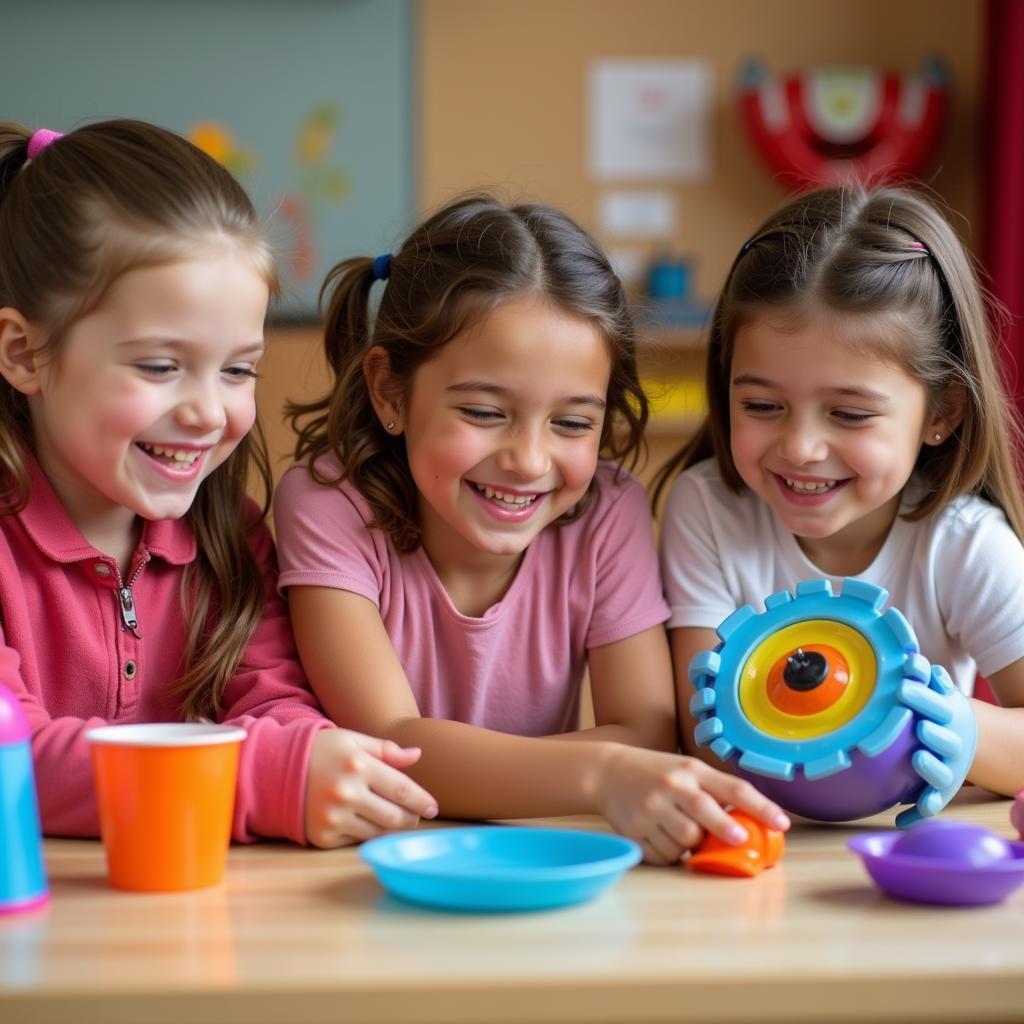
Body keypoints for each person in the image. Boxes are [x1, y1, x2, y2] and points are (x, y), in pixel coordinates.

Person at [273, 194, 790, 865]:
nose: (529, 461)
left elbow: (650, 731)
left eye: (572, 423)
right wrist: (599, 773)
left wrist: (592, 766)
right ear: (390, 391)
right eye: (486, 412)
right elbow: (387, 743)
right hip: (360, 868)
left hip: (539, 861)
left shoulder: (608, 510)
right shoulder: (328, 503)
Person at [0, 120, 437, 848]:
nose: (209, 411)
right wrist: (258, 779)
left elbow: (274, 700)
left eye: (238, 370)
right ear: (24, 353)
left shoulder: (229, 533)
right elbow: (14, 761)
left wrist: (317, 759)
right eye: (159, 366)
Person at [654, 184, 1024, 811]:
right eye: (762, 406)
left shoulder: (964, 543)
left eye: (849, 414)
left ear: (942, 413)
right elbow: (706, 737)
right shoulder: (707, 509)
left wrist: (964, 731)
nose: (800, 447)